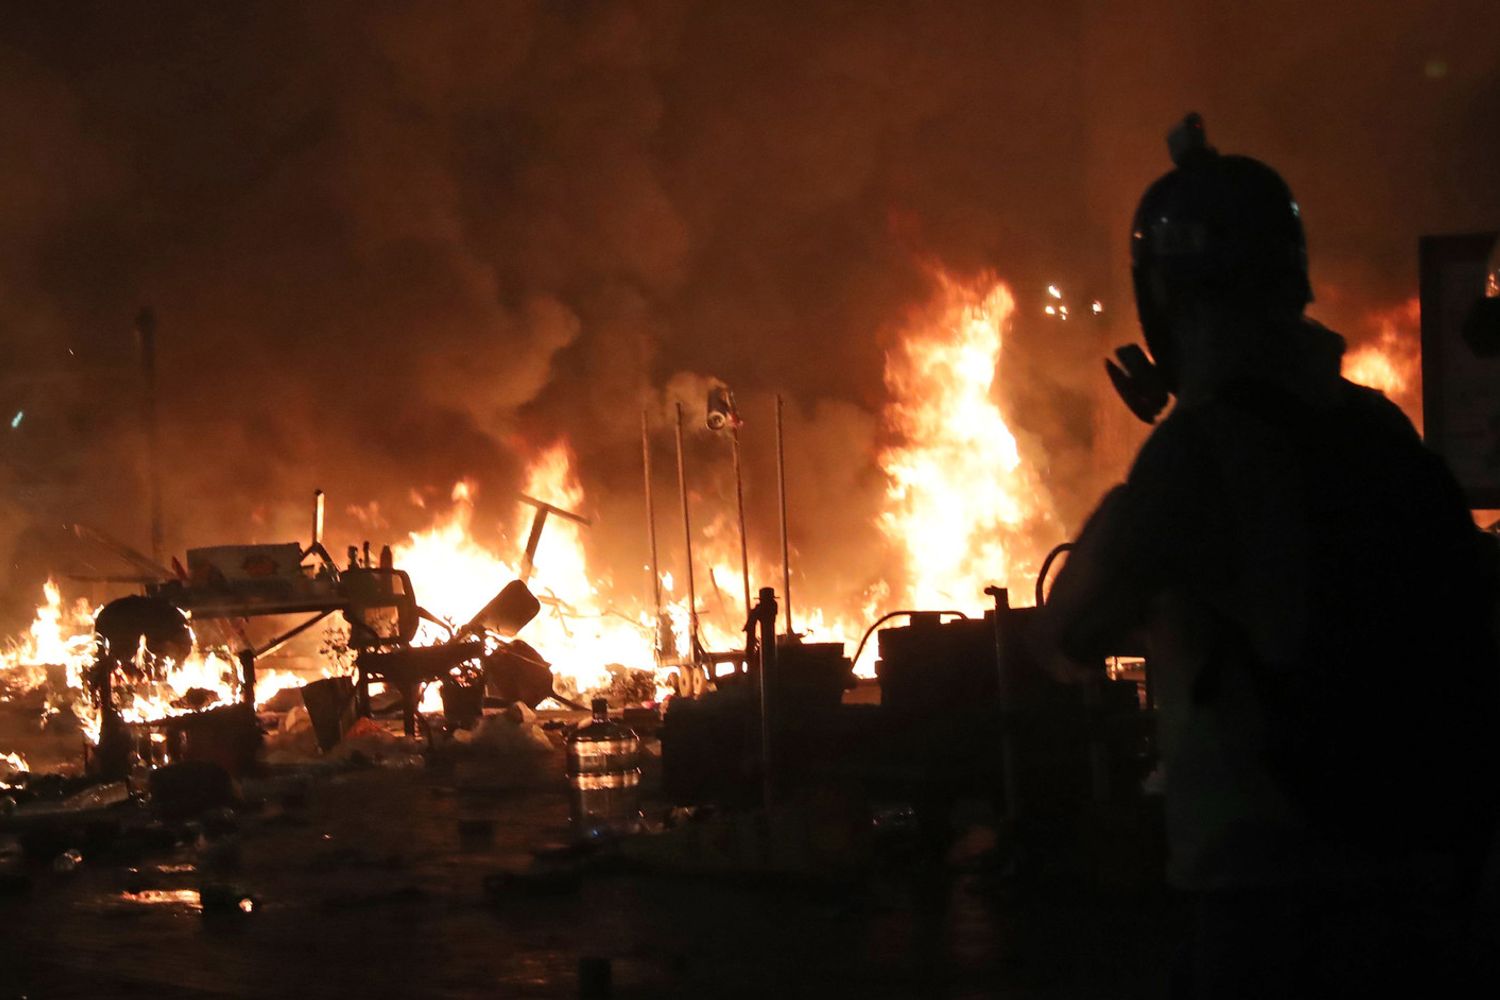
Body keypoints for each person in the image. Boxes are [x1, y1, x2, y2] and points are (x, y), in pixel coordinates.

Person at [1043, 114, 1500, 997]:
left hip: (1270, 913)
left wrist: (1175, 433)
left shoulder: (1199, 451)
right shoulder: (1382, 430)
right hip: (1426, 897)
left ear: (1165, 298)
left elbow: (1069, 630)